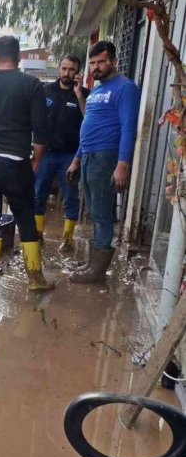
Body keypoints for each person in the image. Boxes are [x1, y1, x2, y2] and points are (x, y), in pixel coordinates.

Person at [0, 36, 52, 291]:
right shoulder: (31, 84)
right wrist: (36, 159)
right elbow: (41, 130)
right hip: (14, 162)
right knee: (25, 217)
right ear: (19, 58)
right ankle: (35, 278)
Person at [66, 40, 140, 284]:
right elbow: (90, 126)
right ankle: (92, 263)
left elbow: (129, 127)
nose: (96, 68)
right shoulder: (96, 89)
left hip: (106, 157)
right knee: (93, 211)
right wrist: (77, 159)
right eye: (93, 63)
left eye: (101, 62)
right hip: (88, 156)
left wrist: (122, 164)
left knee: (102, 212)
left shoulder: (125, 88)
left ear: (113, 62)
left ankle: (96, 272)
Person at [35, 55, 88, 250]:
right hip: (45, 153)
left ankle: (67, 240)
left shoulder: (84, 94)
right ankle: (38, 234)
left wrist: (80, 94)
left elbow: (89, 119)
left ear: (78, 72)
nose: (67, 73)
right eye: (64, 69)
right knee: (38, 194)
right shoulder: (45, 91)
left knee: (71, 196)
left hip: (70, 156)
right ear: (58, 69)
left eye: (71, 69)